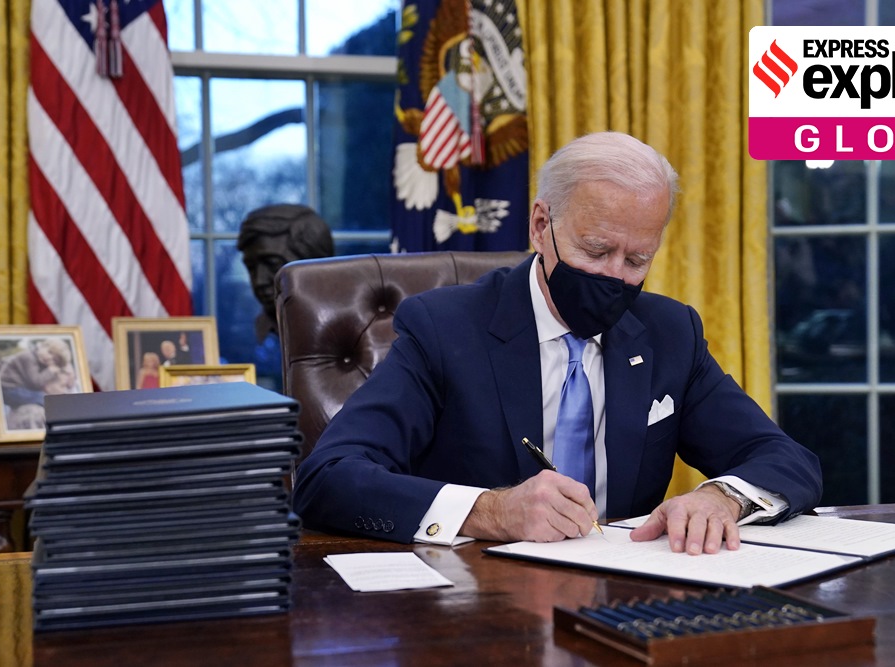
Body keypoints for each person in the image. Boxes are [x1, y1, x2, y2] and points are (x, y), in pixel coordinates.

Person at [292, 132, 822, 555]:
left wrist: (721, 496)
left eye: (637, 260)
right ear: (542, 225)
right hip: (477, 606)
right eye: (595, 251)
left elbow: (785, 459)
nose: (615, 276)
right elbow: (327, 479)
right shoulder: (444, 328)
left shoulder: (669, 334)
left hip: (626, 601)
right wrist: (491, 512)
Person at [237, 204, 335, 340]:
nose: (259, 281)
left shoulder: (352, 331)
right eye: (251, 268)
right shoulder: (242, 335)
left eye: (272, 264)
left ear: (314, 265)